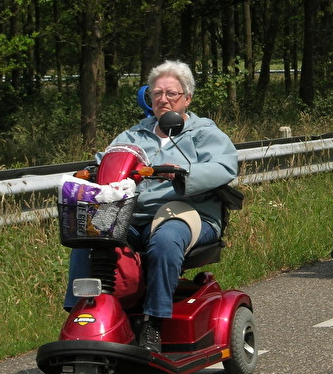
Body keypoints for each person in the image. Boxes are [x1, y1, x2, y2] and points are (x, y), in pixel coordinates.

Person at [64, 60, 238, 353]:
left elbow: (225, 166)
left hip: (187, 210)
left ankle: (154, 323)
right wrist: (93, 171)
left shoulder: (203, 132)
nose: (163, 99)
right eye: (157, 93)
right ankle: (80, 313)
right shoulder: (135, 135)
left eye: (171, 93)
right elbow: (109, 156)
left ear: (187, 98)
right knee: (90, 233)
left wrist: (182, 171)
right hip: (134, 213)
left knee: (166, 239)